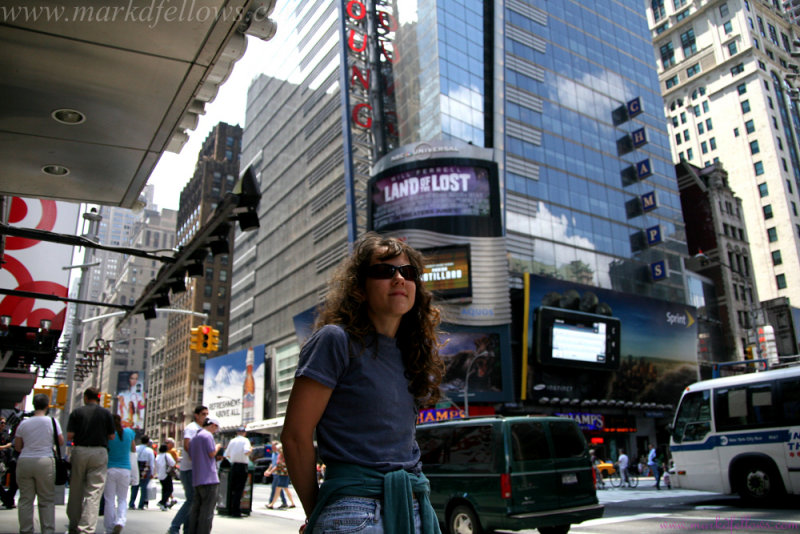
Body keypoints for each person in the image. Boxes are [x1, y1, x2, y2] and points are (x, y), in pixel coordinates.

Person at [282, 233, 444, 534]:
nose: (399, 278)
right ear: (358, 290)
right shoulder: (335, 340)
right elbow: (295, 436)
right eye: (385, 271)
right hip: (354, 512)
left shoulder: (412, 353)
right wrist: (315, 511)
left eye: (407, 272)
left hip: (415, 508)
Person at [67, 387, 115, 534]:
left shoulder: (77, 412)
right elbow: (112, 436)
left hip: (80, 450)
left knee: (76, 489)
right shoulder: (106, 413)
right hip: (99, 452)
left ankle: (74, 525)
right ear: (98, 397)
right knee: (94, 492)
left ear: (86, 398)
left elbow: (69, 435)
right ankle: (87, 528)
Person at [14, 393, 64, 534]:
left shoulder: (24, 423)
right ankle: (47, 531)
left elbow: (18, 447)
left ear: (34, 405)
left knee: (25, 500)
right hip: (45, 462)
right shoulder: (52, 422)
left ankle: (26, 530)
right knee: (46, 500)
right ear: (47, 406)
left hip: (25, 461)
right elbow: (60, 441)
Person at [168, 405, 208, 534]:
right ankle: (174, 527)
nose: (205, 416)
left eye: (207, 414)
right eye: (203, 414)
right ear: (196, 415)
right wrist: (196, 460)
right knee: (191, 499)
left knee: (194, 500)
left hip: (195, 469)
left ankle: (187, 529)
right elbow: (187, 445)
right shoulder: (192, 428)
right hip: (189, 469)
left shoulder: (201, 429)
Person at [187, 417, 222, 534]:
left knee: (196, 509)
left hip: (197, 478)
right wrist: (217, 447)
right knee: (207, 511)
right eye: (215, 428)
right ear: (212, 425)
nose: (215, 431)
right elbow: (212, 453)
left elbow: (191, 456)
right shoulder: (207, 436)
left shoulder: (194, 438)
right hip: (209, 478)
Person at [105, 414, 135, 534]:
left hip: (110, 469)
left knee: (109, 500)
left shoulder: (108, 435)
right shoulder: (129, 432)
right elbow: (133, 449)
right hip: (125, 470)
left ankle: (109, 527)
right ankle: (120, 521)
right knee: (122, 499)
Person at [224, 426, 252, 517]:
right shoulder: (245, 440)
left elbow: (227, 454)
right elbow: (246, 451)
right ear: (244, 433)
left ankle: (230, 508)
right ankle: (236, 510)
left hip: (233, 465)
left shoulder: (232, 441)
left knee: (232, 488)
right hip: (242, 466)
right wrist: (251, 450)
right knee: (239, 489)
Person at [265, 443, 296, 509]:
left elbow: (278, 465)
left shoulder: (284, 456)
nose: (278, 450)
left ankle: (272, 504)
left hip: (284, 474)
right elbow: (275, 465)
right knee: (285, 489)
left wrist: (270, 472)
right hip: (282, 474)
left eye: (279, 449)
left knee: (278, 488)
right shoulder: (280, 455)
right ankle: (292, 503)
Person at [129, 436, 155, 510]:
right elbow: (151, 463)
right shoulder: (149, 450)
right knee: (144, 488)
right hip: (145, 469)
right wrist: (152, 473)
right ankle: (141, 504)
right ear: (148, 442)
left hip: (136, 467)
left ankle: (131, 503)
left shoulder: (136, 448)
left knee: (134, 486)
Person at [0, 415, 18, 509]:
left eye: (4, 423)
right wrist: (6, 446)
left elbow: (11, 444)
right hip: (1, 461)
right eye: (1, 423)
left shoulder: (5, 434)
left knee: (14, 482)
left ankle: (8, 500)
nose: (3, 425)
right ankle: (7, 500)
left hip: (6, 461)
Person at [266, 440, 287, 508]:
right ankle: (284, 502)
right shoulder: (273, 454)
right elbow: (273, 464)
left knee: (275, 487)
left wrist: (270, 472)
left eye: (273, 446)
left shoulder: (279, 454)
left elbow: (277, 465)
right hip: (276, 473)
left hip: (279, 473)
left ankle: (271, 502)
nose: (272, 447)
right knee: (279, 489)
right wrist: (268, 470)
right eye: (272, 446)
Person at [156, 444, 176, 511]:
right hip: (166, 474)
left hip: (160, 475)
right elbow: (173, 463)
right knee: (170, 489)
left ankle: (164, 504)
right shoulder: (167, 455)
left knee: (164, 489)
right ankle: (162, 502)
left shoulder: (158, 456)